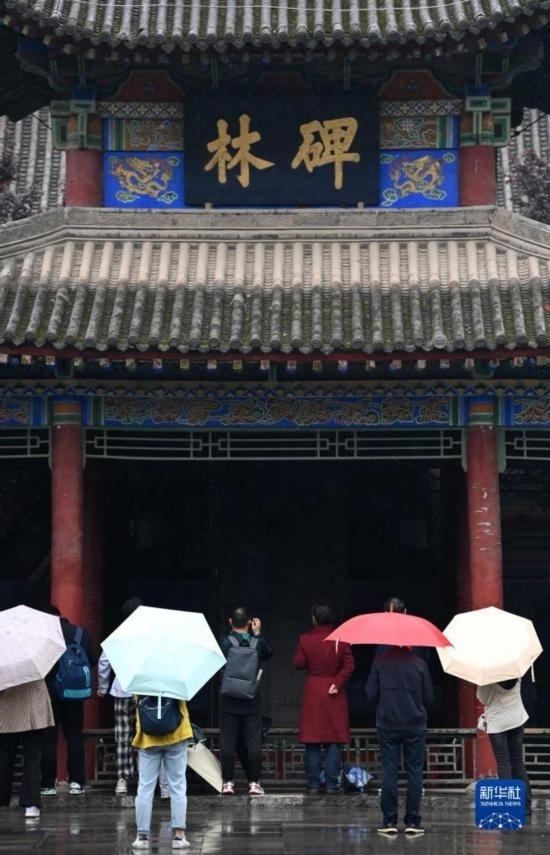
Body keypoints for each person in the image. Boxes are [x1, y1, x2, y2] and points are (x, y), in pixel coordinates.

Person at [365, 643, 433, 836]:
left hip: (387, 723)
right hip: (415, 724)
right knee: (415, 771)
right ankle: (413, 821)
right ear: (410, 644)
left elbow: (370, 694)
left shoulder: (380, 662)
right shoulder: (420, 665)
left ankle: (389, 821)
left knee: (389, 771)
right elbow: (429, 697)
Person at [293, 603, 354, 794]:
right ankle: (331, 784)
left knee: (312, 740)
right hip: (333, 691)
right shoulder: (340, 639)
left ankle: (313, 783)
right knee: (333, 739)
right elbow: (349, 665)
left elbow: (298, 663)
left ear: (314, 619)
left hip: (313, 691)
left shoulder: (305, 639)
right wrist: (338, 681)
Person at [41, 607, 97, 796]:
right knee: (74, 737)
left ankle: (48, 784)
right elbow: (91, 660)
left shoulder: (45, 635)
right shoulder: (81, 633)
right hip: (74, 694)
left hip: (50, 694)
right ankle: (76, 782)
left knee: (49, 738)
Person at [218, 606, 272, 796]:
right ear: (249, 622)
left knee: (227, 741)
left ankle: (228, 783)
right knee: (253, 742)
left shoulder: (225, 643)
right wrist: (258, 633)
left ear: (230, 622)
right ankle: (254, 783)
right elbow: (268, 653)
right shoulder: (258, 643)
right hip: (251, 699)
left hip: (229, 698)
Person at [132, 697, 193, 849]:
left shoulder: (140, 682)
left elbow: (136, 700)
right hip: (177, 735)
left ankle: (142, 837)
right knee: (177, 785)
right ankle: (179, 836)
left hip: (148, 737)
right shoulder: (178, 681)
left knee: (145, 787)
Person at [97, 596, 143, 795]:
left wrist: (103, 687)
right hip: (145, 691)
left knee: (123, 736)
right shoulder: (149, 635)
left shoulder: (118, 635)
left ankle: (122, 780)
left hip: (122, 690)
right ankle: (145, 778)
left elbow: (103, 662)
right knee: (146, 735)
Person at [0, 678, 54, 820]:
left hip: (7, 703)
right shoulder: (34, 663)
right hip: (34, 701)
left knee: (5, 755)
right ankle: (31, 803)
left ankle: (2, 797)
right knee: (32, 757)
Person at [476, 679, 532, 813]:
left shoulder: (486, 678)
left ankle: (508, 805)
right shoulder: (515, 672)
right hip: (516, 720)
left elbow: (483, 699)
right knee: (517, 761)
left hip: (497, 723)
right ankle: (526, 805)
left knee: (503, 763)